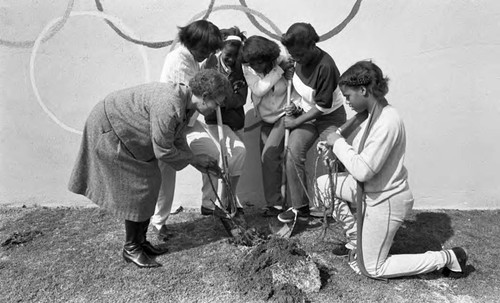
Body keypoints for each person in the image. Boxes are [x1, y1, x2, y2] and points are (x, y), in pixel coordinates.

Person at [315, 60, 468, 278]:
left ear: (363, 90)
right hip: (367, 190)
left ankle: (449, 258)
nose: (346, 101)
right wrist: (334, 147)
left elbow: (364, 170)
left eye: (348, 96)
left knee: (372, 269)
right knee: (323, 184)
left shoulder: (388, 121)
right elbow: (356, 156)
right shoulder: (370, 114)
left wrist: (337, 142)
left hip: (386, 199)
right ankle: (355, 237)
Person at [68, 69, 232, 268]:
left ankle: (141, 242)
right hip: (110, 130)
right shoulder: (169, 105)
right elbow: (163, 150)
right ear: (205, 97)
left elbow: (176, 137)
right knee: (139, 188)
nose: (217, 109)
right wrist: (194, 160)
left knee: (151, 183)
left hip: (125, 130)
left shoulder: (185, 102)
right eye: (217, 103)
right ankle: (131, 248)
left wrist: (198, 161)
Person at [152, 20, 225, 240]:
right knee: (166, 172)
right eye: (204, 49)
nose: (206, 54)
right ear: (191, 42)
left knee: (212, 154)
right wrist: (192, 158)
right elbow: (196, 95)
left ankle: (209, 205)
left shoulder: (192, 57)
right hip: (170, 123)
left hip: (188, 122)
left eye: (210, 50)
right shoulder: (178, 59)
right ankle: (158, 222)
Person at [278, 23, 347, 223]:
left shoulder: (326, 66)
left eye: (298, 54)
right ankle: (300, 208)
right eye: (292, 54)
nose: (295, 58)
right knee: (292, 153)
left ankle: (341, 206)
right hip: (308, 113)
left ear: (311, 45)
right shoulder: (296, 58)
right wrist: (296, 106)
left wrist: (296, 121)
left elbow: (323, 106)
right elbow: (306, 94)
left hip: (329, 116)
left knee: (334, 155)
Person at [241, 35, 295, 217]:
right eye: (251, 63)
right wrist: (279, 71)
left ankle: (282, 203)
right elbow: (259, 89)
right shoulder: (247, 68)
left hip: (283, 115)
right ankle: (274, 204)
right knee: (267, 162)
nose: (254, 67)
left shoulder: (283, 61)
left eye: (257, 63)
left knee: (270, 155)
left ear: (267, 58)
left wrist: (286, 74)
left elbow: (294, 88)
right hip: (265, 119)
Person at [201, 26, 248, 215]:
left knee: (236, 159)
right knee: (233, 154)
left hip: (237, 122)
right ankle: (215, 201)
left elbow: (241, 99)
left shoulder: (240, 70)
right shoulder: (211, 66)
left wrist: (223, 97)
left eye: (236, 57)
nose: (231, 60)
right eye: (228, 55)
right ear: (221, 50)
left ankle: (229, 198)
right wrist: (220, 98)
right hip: (215, 121)